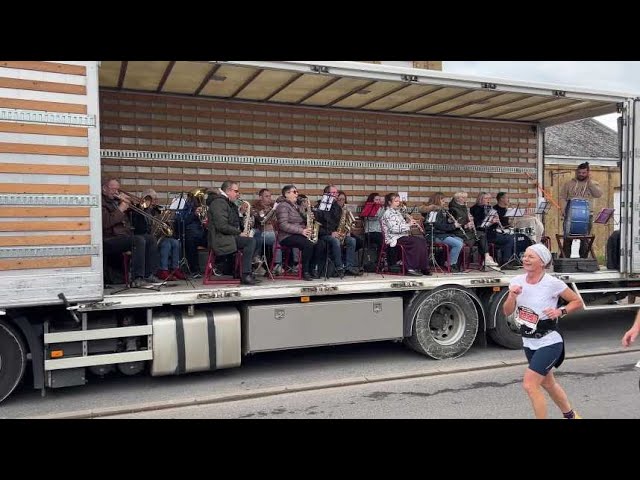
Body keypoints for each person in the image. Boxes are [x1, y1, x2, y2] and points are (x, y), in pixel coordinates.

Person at [502, 243, 583, 419]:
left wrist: (560, 311)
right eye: (525, 256)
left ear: (542, 262)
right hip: (529, 340)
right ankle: (571, 416)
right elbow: (507, 312)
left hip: (550, 340)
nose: (525, 259)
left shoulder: (552, 283)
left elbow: (577, 301)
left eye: (531, 257)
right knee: (548, 383)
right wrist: (512, 296)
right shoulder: (517, 282)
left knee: (530, 384)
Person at [101, 178, 160, 286]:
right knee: (138, 240)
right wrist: (121, 209)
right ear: (104, 189)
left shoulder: (117, 201)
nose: (116, 192)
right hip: (109, 239)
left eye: (117, 189)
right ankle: (137, 278)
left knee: (150, 238)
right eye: (113, 189)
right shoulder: (102, 203)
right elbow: (106, 223)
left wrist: (131, 203)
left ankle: (148, 274)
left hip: (123, 236)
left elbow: (137, 217)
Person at [208, 180, 260, 286]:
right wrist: (239, 232)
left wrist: (241, 214)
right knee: (249, 242)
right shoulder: (219, 203)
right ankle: (246, 274)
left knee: (257, 239)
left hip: (228, 236)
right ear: (228, 191)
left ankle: (243, 270)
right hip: (220, 239)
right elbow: (221, 226)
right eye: (236, 191)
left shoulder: (228, 203)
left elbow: (232, 221)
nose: (238, 194)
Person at [132, 188, 185, 281]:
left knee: (176, 243)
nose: (155, 201)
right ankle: (163, 270)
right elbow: (139, 227)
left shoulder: (157, 210)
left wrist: (167, 223)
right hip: (146, 236)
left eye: (156, 199)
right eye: (153, 199)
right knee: (166, 244)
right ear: (146, 199)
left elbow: (166, 228)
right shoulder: (139, 210)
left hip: (157, 236)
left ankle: (175, 268)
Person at [314, 185, 362, 276]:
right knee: (335, 241)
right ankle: (339, 267)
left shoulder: (337, 207)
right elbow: (317, 227)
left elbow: (341, 222)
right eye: (334, 193)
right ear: (326, 194)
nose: (336, 194)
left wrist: (345, 231)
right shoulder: (319, 207)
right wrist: (331, 233)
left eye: (336, 192)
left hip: (336, 233)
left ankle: (349, 267)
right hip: (324, 234)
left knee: (352, 240)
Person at [559, 161, 603, 258]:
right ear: (576, 172)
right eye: (579, 173)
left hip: (587, 216)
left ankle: (584, 260)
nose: (581, 175)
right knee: (567, 239)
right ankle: (564, 260)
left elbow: (598, 194)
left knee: (585, 239)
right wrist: (563, 210)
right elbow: (562, 197)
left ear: (588, 173)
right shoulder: (569, 184)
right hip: (570, 216)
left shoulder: (593, 184)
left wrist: (590, 182)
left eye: (584, 173)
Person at [381, 192, 430, 276]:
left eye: (398, 201)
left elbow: (401, 225)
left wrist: (409, 222)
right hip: (393, 237)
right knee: (415, 242)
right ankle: (410, 268)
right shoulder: (388, 213)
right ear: (389, 202)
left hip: (402, 236)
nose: (398, 203)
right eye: (396, 201)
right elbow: (394, 229)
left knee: (422, 241)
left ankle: (423, 267)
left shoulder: (397, 212)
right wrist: (409, 225)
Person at [448, 191, 499, 269]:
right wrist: (465, 225)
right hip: (458, 233)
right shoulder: (453, 209)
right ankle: (486, 259)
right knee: (481, 235)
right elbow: (452, 224)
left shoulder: (464, 207)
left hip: (467, 232)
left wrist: (471, 221)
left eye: (466, 197)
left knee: (481, 235)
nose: (466, 199)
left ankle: (486, 258)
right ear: (457, 199)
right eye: (463, 197)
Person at [275, 185, 315, 281]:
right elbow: (283, 225)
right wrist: (302, 231)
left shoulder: (296, 206)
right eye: (294, 192)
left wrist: (308, 215)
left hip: (297, 234)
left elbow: (302, 220)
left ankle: (311, 269)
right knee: (308, 244)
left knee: (318, 243)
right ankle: (305, 271)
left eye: (296, 192)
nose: (297, 194)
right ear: (286, 194)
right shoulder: (282, 206)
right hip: (286, 236)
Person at [471, 192, 515, 269]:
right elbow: (478, 224)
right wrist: (490, 222)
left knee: (510, 238)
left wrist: (495, 222)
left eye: (489, 199)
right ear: (480, 199)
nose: (488, 200)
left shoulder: (490, 208)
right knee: (507, 239)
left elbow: (493, 226)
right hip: (481, 234)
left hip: (491, 233)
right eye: (486, 198)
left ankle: (506, 262)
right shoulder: (475, 209)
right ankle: (500, 261)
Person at [425, 193, 464, 273]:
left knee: (460, 240)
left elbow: (441, 224)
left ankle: (449, 261)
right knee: (458, 244)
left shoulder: (441, 211)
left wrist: (448, 221)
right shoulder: (434, 211)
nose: (444, 202)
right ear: (437, 201)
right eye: (442, 201)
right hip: (434, 235)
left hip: (441, 234)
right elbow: (438, 226)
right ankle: (451, 264)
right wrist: (453, 226)